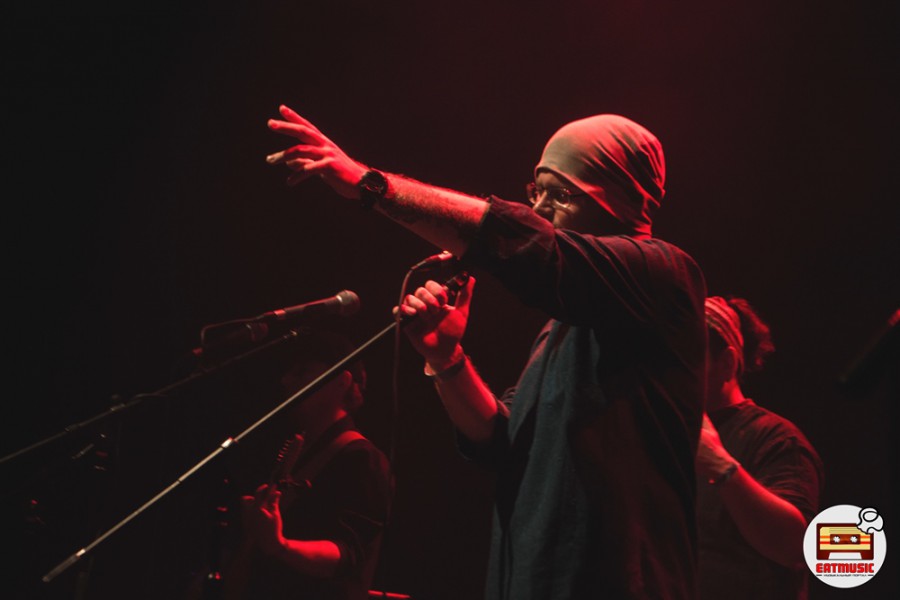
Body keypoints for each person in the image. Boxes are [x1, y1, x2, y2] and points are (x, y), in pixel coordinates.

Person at [266, 106, 708, 599]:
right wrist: (446, 359)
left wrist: (372, 185)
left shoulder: (663, 273)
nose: (540, 209)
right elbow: (500, 438)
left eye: (560, 194)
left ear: (621, 200)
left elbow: (526, 244)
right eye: (536, 191)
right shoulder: (559, 330)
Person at [223, 330, 394, 600]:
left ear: (341, 381)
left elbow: (348, 555)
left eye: (302, 371)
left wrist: (280, 546)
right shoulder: (298, 449)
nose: (286, 380)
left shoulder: (362, 458)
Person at [696, 296, 824, 599]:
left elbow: (796, 548)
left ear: (726, 364)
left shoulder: (775, 438)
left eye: (686, 357)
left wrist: (720, 465)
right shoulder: (664, 432)